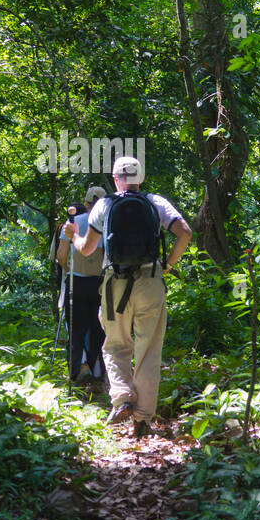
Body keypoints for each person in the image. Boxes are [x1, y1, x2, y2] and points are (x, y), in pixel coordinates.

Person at [64, 157, 191, 437]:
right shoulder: (156, 202)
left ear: (115, 177)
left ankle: (122, 398)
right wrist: (168, 264)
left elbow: (86, 250)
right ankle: (143, 417)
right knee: (148, 350)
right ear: (141, 178)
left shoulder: (105, 204)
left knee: (115, 345)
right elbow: (185, 232)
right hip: (151, 280)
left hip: (115, 284)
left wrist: (73, 235)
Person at [52, 185, 108, 386]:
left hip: (77, 282)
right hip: (101, 284)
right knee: (98, 328)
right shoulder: (108, 224)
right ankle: (97, 369)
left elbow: (60, 256)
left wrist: (68, 270)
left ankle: (80, 367)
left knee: (76, 328)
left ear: (86, 203)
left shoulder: (73, 222)